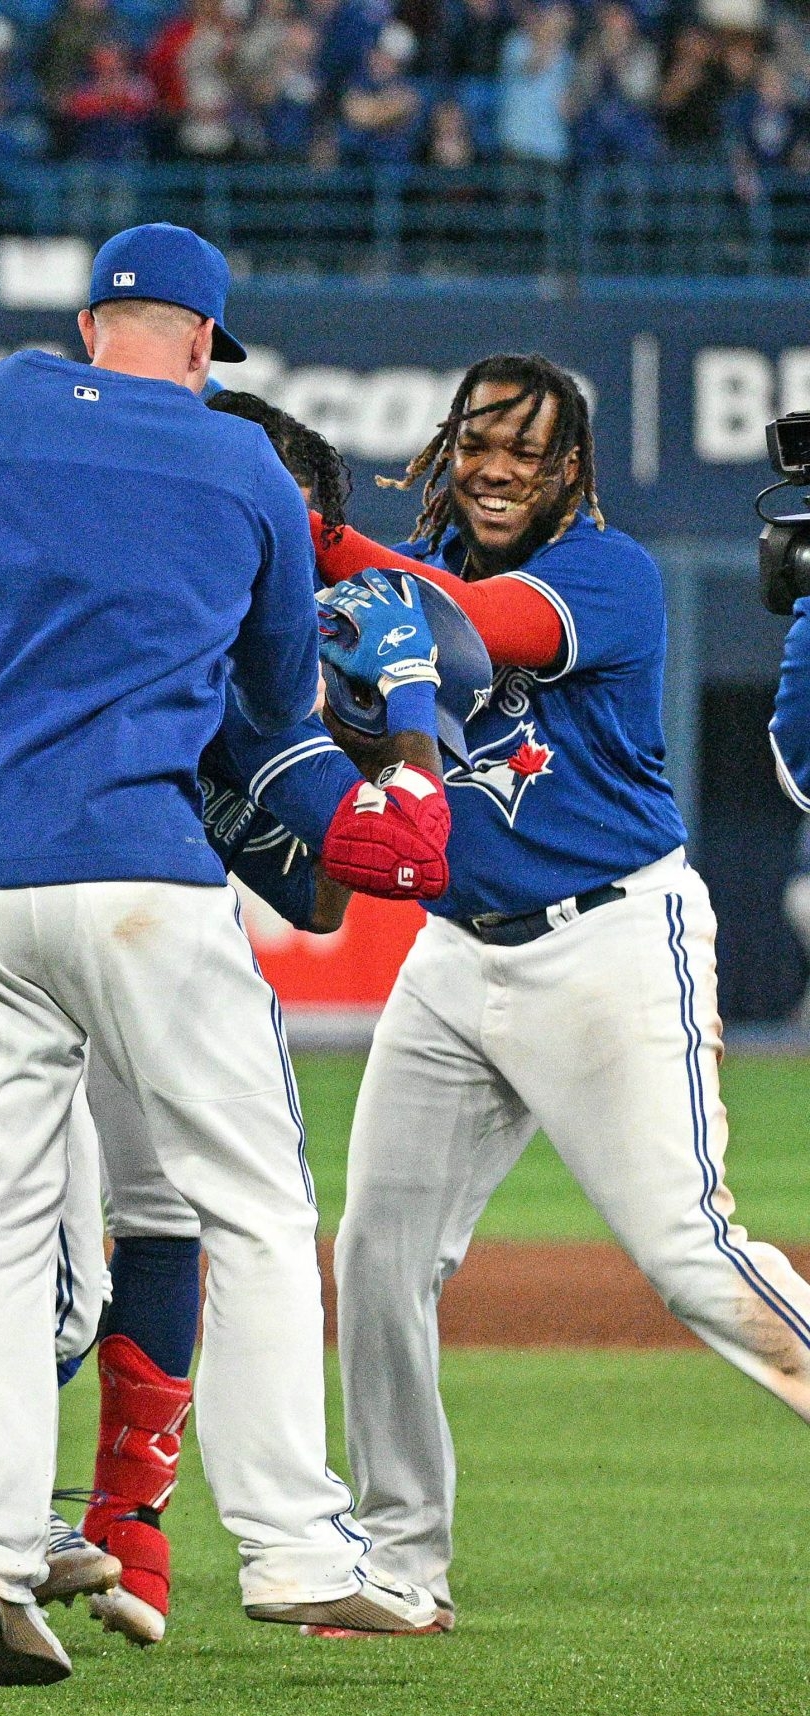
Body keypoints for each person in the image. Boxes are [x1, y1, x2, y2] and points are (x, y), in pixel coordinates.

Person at [0, 221, 446, 1685]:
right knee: (249, 1199)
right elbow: (269, 713)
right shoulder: (240, 464)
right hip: (136, 876)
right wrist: (398, 732)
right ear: (197, 341)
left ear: (98, 316)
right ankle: (294, 1536)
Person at [315, 355, 810, 1623]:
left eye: (524, 451)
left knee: (689, 1255)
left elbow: (476, 635)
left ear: (570, 470)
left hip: (605, 940)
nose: (494, 468)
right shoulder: (416, 560)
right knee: (376, 1255)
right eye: (476, 442)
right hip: (454, 950)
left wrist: (307, 533)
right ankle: (400, 1560)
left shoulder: (609, 571)